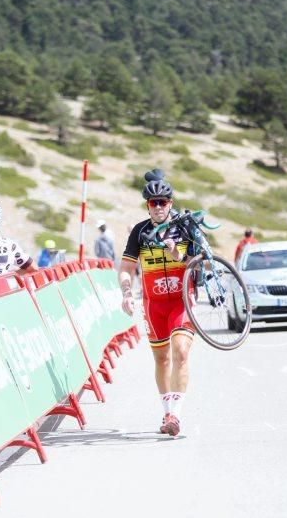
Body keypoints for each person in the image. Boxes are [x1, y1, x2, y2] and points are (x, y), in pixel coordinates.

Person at [118, 169, 197, 437]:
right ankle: (166, 413)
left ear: (171, 203)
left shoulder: (185, 227)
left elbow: (198, 264)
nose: (159, 206)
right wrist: (127, 292)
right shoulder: (140, 232)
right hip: (154, 304)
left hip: (181, 300)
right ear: (148, 205)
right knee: (162, 359)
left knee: (181, 352)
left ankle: (176, 414)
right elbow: (126, 267)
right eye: (154, 203)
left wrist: (176, 251)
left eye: (164, 202)